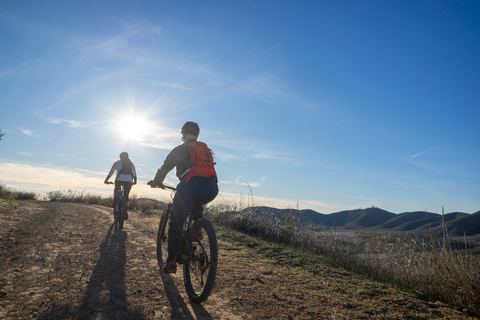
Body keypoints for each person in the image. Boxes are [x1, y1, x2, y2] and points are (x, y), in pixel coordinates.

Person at [148, 121, 218, 273]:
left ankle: (171, 261)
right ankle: (197, 229)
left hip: (190, 186)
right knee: (197, 200)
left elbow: (166, 167)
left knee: (176, 222)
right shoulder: (204, 149)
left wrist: (156, 181)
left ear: (183, 134)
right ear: (197, 134)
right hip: (211, 187)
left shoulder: (180, 149)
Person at [104, 152, 137, 220]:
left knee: (116, 189)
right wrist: (135, 181)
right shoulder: (131, 164)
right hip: (128, 181)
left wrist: (106, 180)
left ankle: (115, 201)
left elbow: (111, 172)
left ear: (120, 157)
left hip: (119, 180)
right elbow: (134, 174)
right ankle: (125, 210)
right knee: (126, 195)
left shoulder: (117, 163)